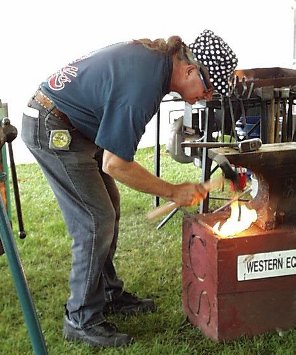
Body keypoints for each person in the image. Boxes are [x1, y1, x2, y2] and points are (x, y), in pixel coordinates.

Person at [21, 30, 237, 348]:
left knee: (109, 205)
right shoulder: (144, 84)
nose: (207, 98)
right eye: (209, 89)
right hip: (52, 126)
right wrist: (173, 190)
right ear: (191, 70)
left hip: (74, 125)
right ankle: (80, 317)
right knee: (95, 220)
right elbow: (116, 164)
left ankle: (107, 293)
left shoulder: (155, 65)